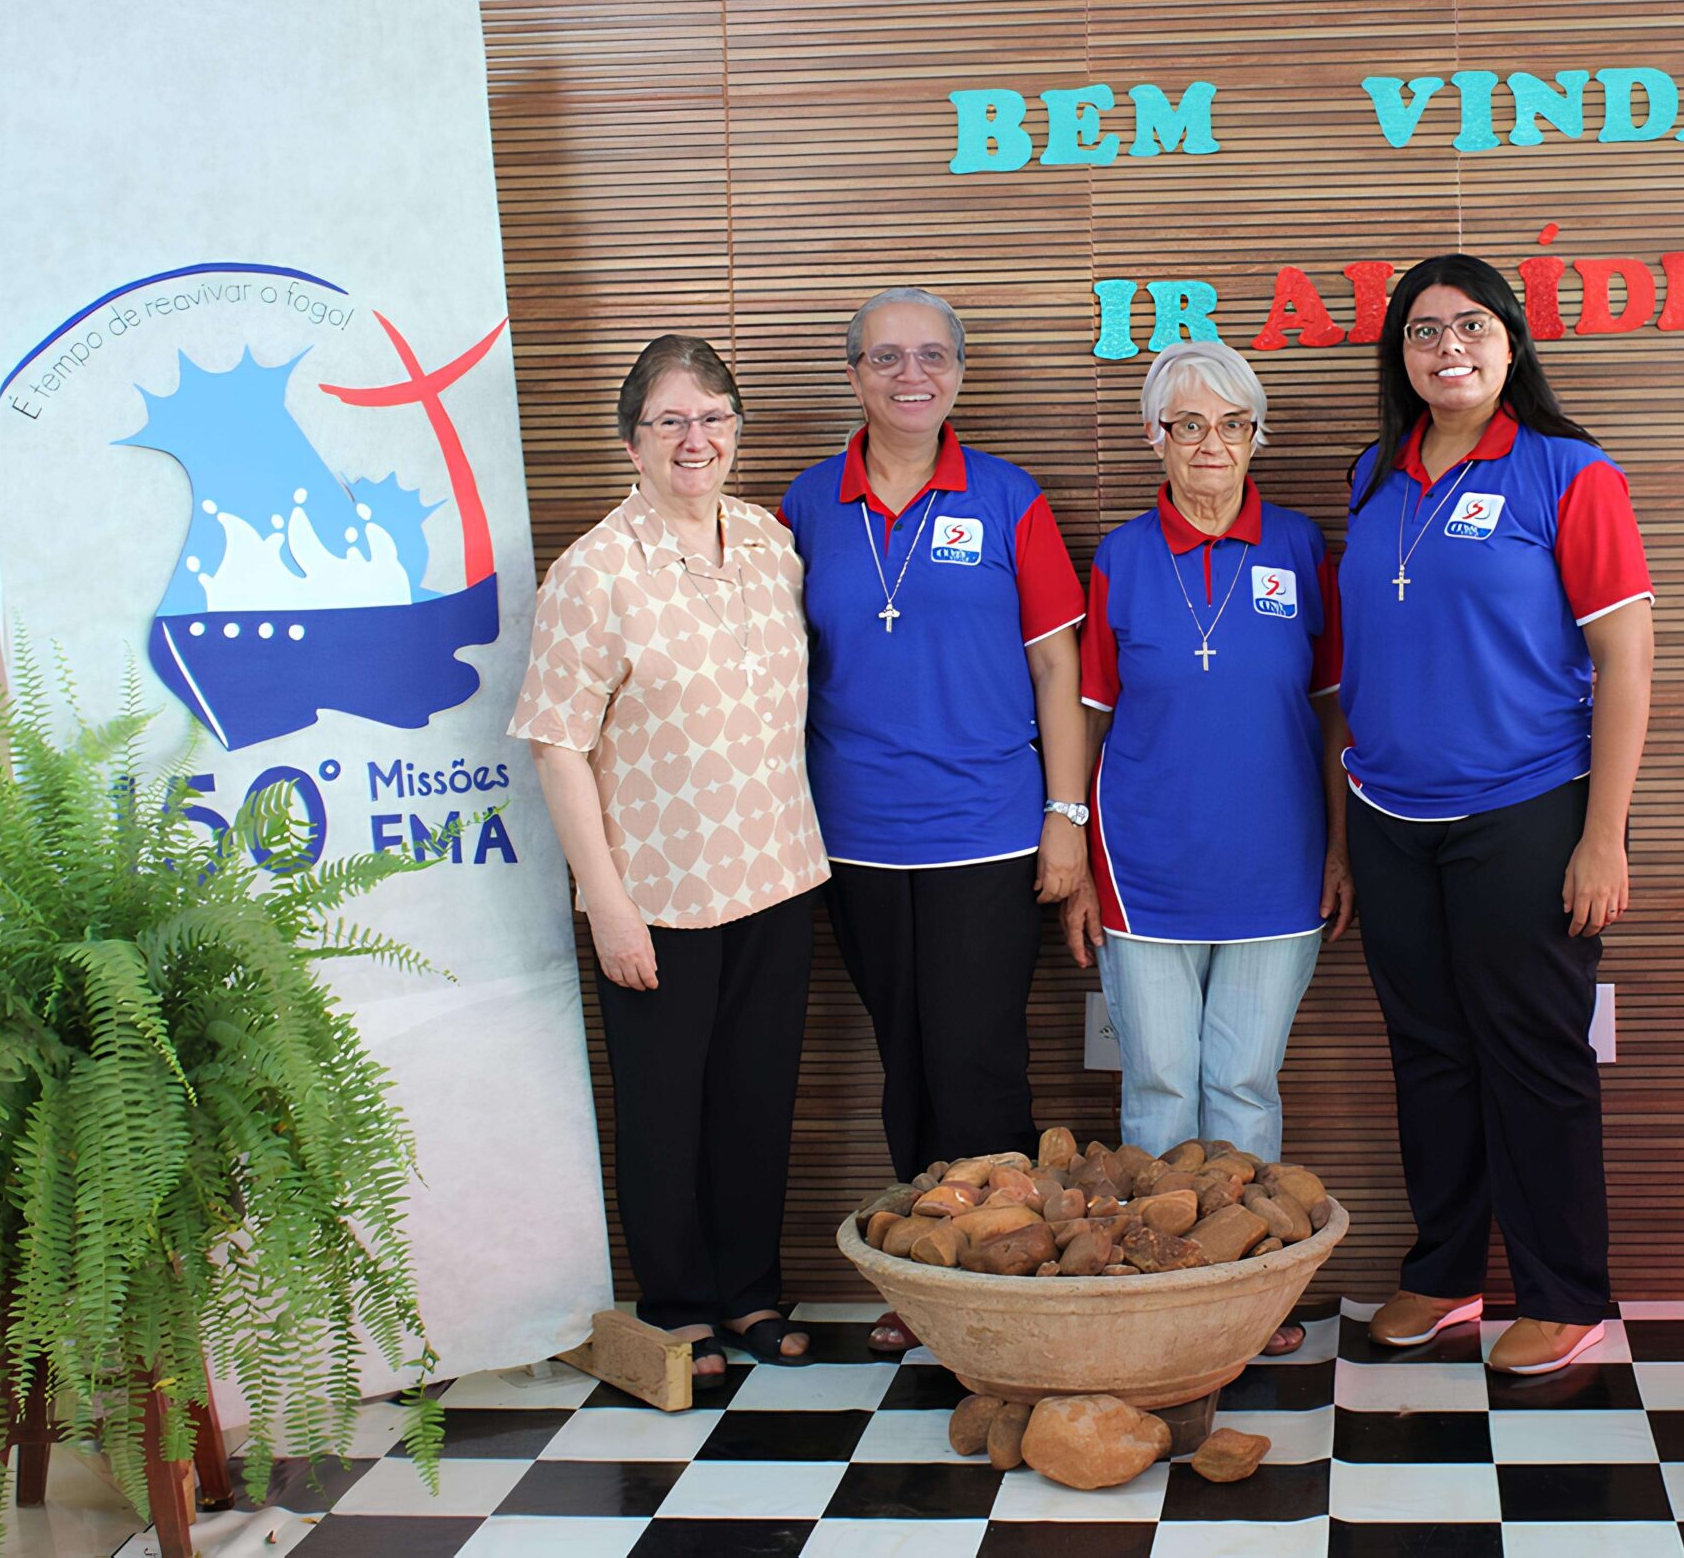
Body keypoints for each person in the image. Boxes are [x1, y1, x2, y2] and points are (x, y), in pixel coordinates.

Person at [1337, 254, 1656, 1377]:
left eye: (1471, 325)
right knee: (1427, 1053)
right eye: (1424, 332)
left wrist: (1601, 834)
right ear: (1401, 357)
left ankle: (1565, 1293)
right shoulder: (1372, 475)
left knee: (1532, 1055)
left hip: (1526, 810)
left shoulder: (1571, 475)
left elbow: (1624, 661)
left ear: (1511, 343)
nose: (1448, 347)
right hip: (1388, 815)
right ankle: (1445, 1273)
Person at [509, 334, 827, 1379]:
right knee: (664, 1109)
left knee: (754, 1098)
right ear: (632, 443)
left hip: (777, 871)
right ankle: (680, 1309)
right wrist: (606, 905)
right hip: (656, 887)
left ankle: (748, 1294)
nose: (697, 440)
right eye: (671, 421)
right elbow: (558, 746)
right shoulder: (594, 572)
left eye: (715, 418)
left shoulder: (771, 541)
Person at [777, 287, 1088, 1353]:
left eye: (933, 357)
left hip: (989, 829)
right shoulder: (805, 505)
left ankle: (1005, 1284)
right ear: (854, 373)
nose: (912, 376)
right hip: (853, 836)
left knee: (980, 1059)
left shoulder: (1007, 498)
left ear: (959, 371)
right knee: (901, 1059)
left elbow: (1058, 666)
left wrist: (1065, 816)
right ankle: (926, 1281)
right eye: (886, 358)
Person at [1059, 340, 1350, 1358]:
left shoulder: (1304, 550)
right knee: (1158, 1086)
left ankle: (1241, 1293)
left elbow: (1329, 714)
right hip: (1143, 870)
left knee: (1241, 1086)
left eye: (1232, 424)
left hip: (1277, 868)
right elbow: (1088, 718)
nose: (1211, 444)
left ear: (1256, 436)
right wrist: (1080, 864)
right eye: (1188, 424)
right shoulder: (1122, 560)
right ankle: (1154, 1286)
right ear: (1156, 439)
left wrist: (1342, 848)